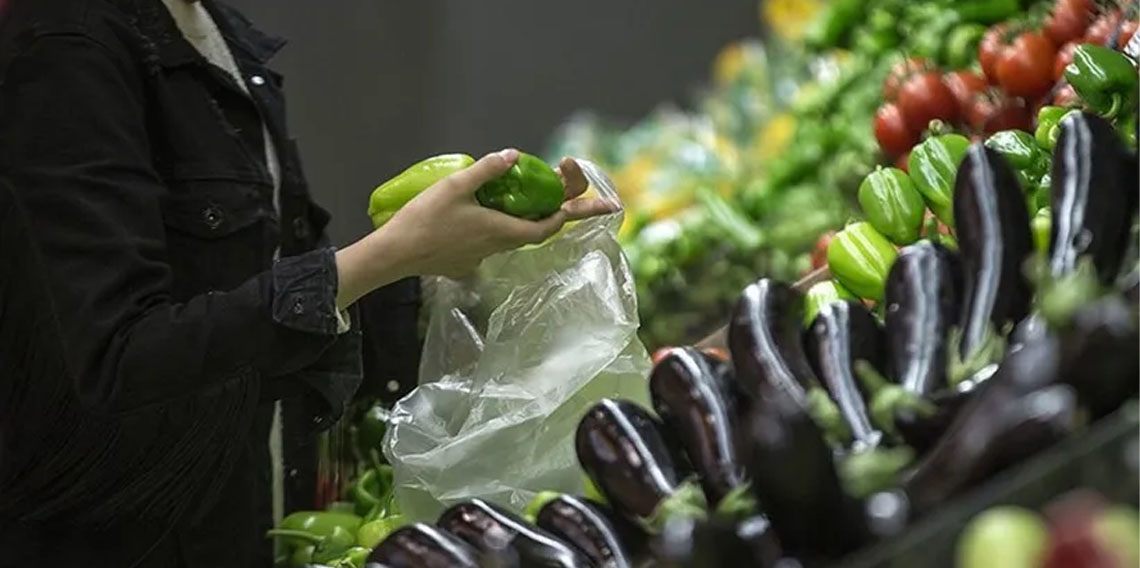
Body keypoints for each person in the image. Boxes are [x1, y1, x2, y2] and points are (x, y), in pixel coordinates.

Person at [0, 0, 614, 566]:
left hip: (238, 519)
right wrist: (386, 255)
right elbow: (120, 358)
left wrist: (446, 262)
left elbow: (254, 296)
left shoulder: (204, 29)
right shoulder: (66, 46)